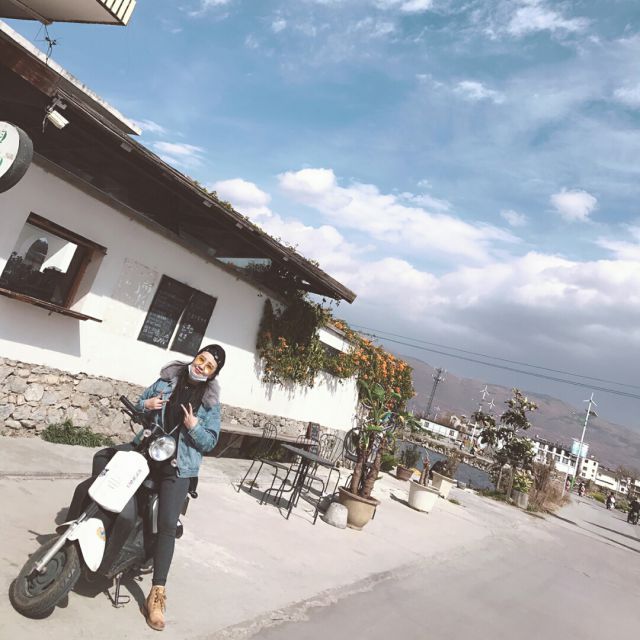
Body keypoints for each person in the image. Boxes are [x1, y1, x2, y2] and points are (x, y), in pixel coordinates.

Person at [67, 344, 225, 631]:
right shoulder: (168, 379)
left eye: (209, 366)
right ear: (195, 357)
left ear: (213, 374)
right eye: (201, 359)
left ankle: (157, 594)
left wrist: (194, 426)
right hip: (147, 447)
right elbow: (141, 402)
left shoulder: (210, 404)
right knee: (103, 462)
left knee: (167, 525)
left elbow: (210, 442)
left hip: (178, 466)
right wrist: (147, 405)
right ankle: (81, 532)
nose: (201, 366)